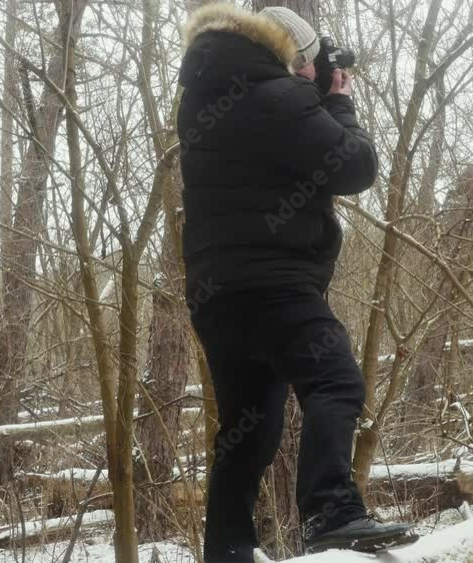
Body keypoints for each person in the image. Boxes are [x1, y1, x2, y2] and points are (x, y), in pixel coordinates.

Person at [176, 3, 417, 561]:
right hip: (274, 284)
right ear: (287, 61)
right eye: (306, 63)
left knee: (247, 433)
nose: (312, 71)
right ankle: (332, 512)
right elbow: (354, 166)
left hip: (218, 296)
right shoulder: (278, 98)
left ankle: (227, 549)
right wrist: (339, 100)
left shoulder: (202, 102)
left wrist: (313, 91)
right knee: (336, 382)